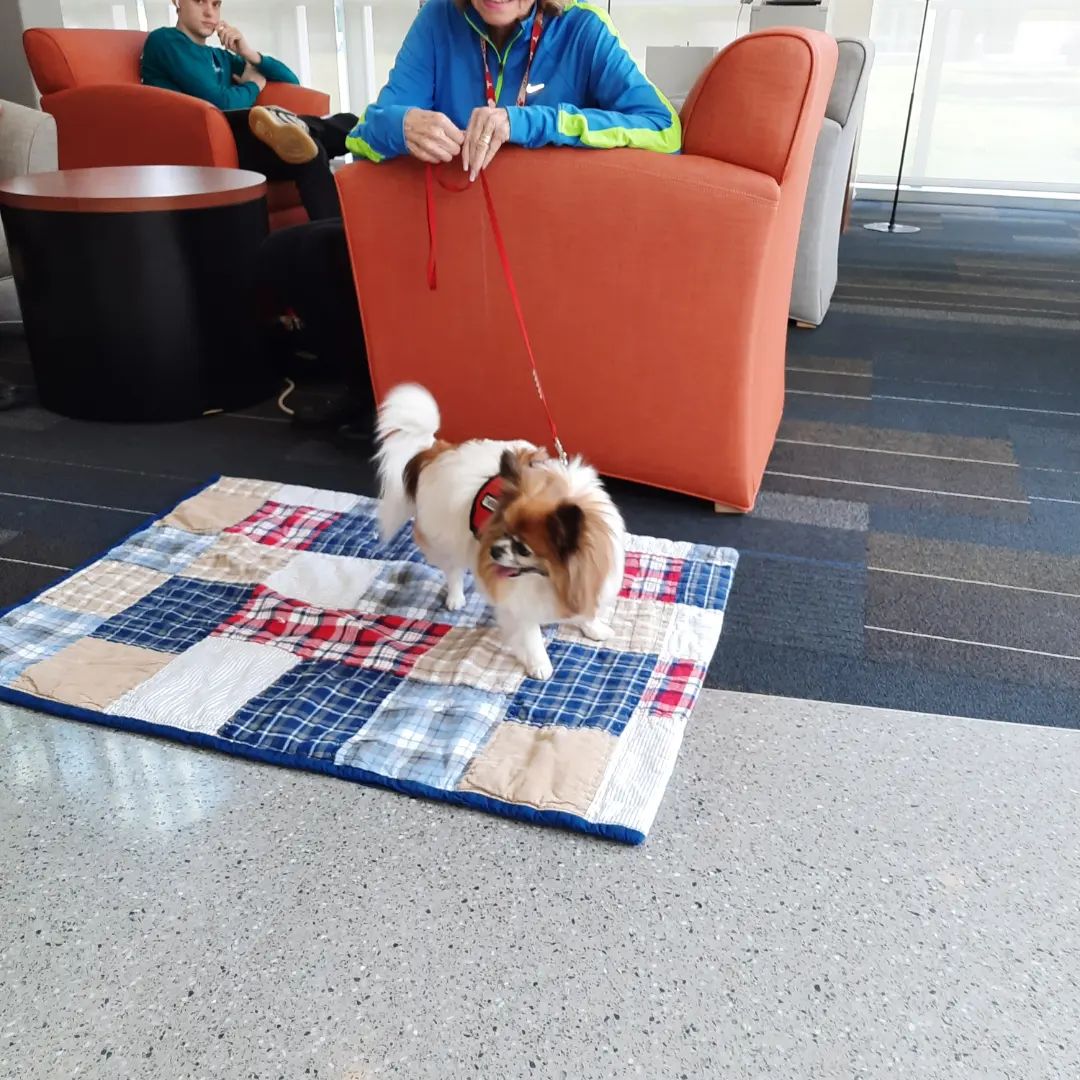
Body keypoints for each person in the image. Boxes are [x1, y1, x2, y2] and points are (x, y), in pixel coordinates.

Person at [259, 0, 682, 426]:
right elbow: (366, 133)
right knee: (289, 252)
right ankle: (373, 388)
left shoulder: (582, 26)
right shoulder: (438, 18)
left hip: (544, 247)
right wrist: (403, 125)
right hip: (445, 231)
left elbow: (663, 129)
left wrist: (529, 122)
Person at [141, 0, 358, 220]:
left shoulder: (220, 56)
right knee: (298, 139)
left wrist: (249, 52)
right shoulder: (165, 41)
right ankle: (299, 126)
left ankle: (339, 241)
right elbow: (220, 103)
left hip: (245, 142)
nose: (209, 12)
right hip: (205, 145)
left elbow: (290, 79)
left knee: (340, 130)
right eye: (200, 2)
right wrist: (253, 85)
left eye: (216, 5)